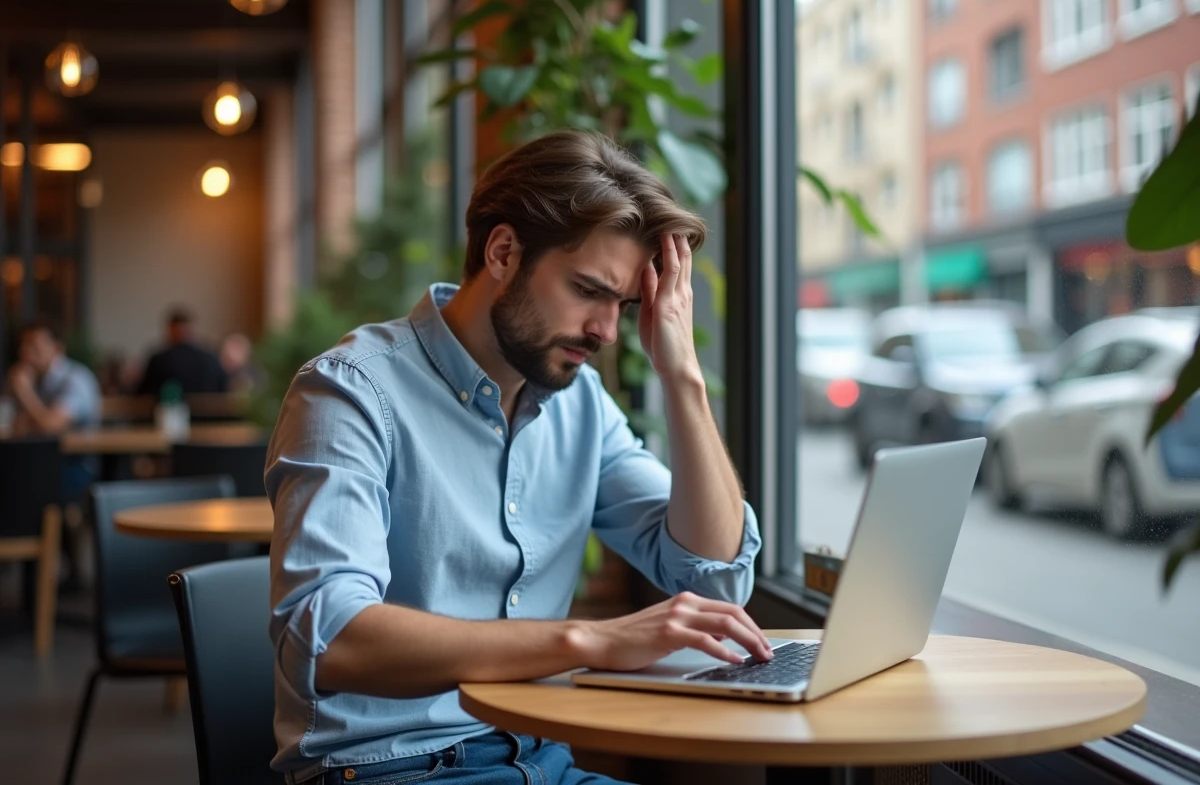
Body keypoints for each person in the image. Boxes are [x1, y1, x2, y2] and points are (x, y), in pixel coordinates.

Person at [266, 131, 770, 785]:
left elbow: (715, 581)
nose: (608, 332)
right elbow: (331, 637)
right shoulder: (350, 393)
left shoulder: (580, 404)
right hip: (392, 770)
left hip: (541, 764)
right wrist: (588, 641)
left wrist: (683, 378)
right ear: (503, 251)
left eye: (622, 305)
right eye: (588, 290)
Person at [6, 319, 101, 498]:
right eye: (23, 346)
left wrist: (24, 392)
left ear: (57, 349)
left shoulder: (76, 379)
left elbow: (49, 426)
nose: (25, 352)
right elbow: (17, 424)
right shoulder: (31, 378)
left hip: (73, 465)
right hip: (35, 461)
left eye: (33, 346)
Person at [137, 308, 228, 399]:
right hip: (210, 412)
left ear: (171, 330)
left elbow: (144, 394)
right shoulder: (211, 358)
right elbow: (223, 390)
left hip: (170, 412)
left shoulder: (159, 360)